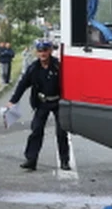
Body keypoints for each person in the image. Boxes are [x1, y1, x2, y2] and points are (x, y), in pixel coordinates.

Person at [6, 39, 70, 171]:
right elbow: (22, 85)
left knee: (61, 132)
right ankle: (31, 159)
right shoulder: (33, 68)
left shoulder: (58, 66)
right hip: (42, 102)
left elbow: (69, 83)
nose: (43, 54)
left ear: (51, 51)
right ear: (36, 52)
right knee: (36, 130)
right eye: (40, 51)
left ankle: (64, 161)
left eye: (45, 50)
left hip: (58, 102)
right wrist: (13, 101)